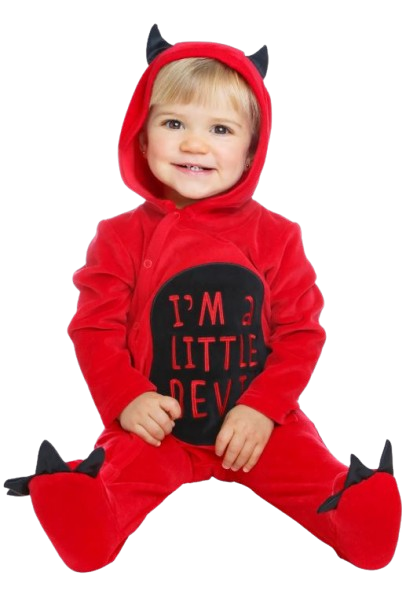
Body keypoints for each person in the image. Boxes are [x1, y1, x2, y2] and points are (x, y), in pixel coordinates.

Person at [4, 24, 402, 573]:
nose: (194, 144)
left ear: (251, 149)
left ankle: (357, 515)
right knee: (117, 483)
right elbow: (94, 328)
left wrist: (263, 408)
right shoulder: (119, 237)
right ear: (142, 137)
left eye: (220, 128)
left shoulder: (277, 236)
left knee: (316, 479)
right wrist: (127, 399)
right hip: (159, 426)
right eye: (174, 123)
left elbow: (301, 332)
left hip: (259, 426)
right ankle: (85, 512)